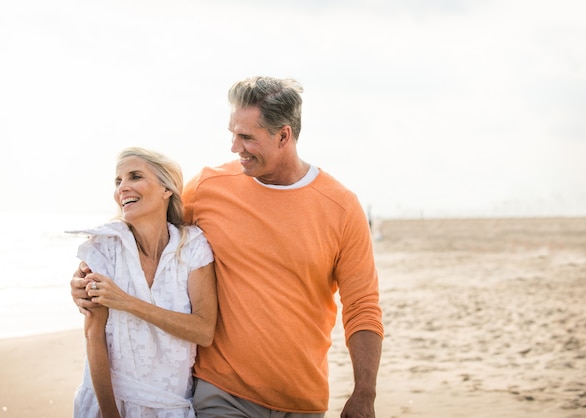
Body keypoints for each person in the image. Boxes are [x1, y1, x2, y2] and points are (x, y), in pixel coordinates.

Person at [72, 76, 383, 417]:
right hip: (222, 392)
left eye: (247, 137)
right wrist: (89, 276)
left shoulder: (340, 207)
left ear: (283, 135)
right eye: (233, 134)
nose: (235, 147)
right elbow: (150, 227)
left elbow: (362, 307)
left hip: (303, 398)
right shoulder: (209, 187)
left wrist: (364, 392)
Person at [68, 147, 217, 418]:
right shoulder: (104, 247)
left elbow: (204, 331)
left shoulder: (193, 246)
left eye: (134, 176)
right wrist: (110, 413)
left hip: (171, 405)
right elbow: (94, 336)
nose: (122, 188)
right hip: (108, 402)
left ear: (166, 189)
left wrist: (127, 302)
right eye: (118, 181)